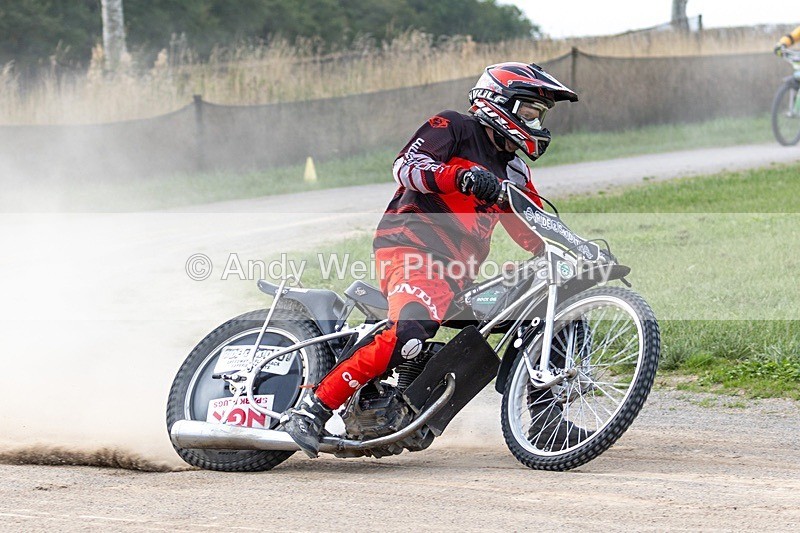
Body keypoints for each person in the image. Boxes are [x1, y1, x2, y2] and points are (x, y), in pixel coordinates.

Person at [281, 62, 578, 458]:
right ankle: (311, 410)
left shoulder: (515, 169)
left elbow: (532, 223)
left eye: (539, 115)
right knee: (412, 327)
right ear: (499, 102)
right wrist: (460, 178)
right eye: (529, 111)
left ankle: (545, 419)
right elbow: (406, 168)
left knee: (548, 305)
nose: (536, 122)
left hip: (457, 274)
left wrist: (574, 247)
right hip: (412, 248)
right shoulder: (453, 126)